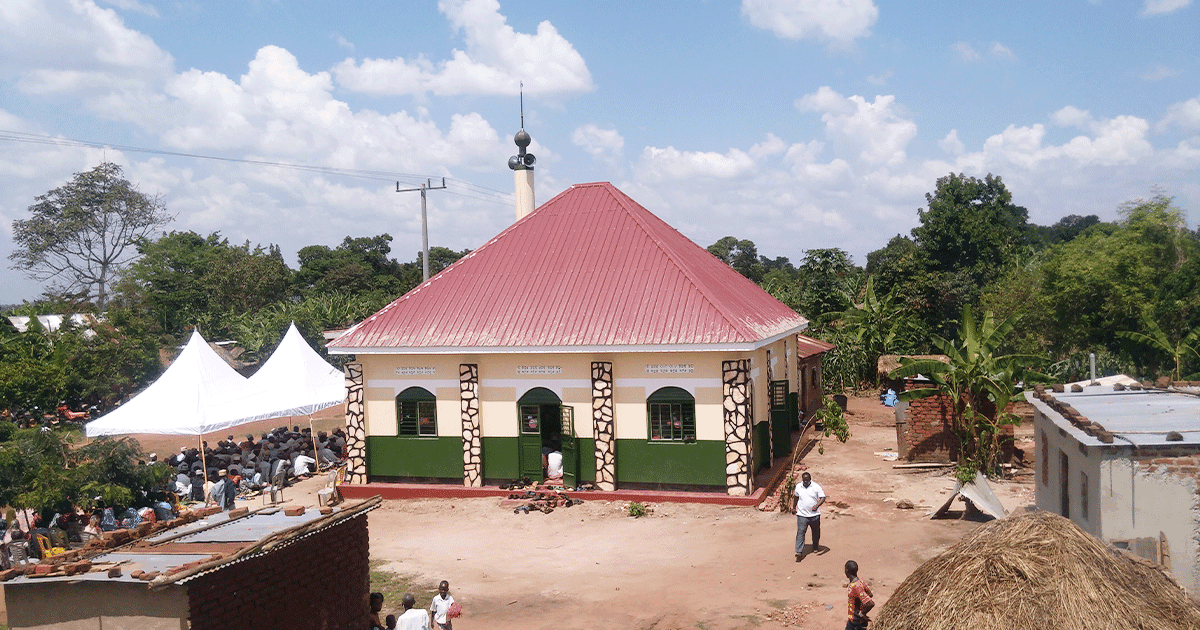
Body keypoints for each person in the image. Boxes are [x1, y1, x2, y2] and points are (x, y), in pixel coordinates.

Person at [794, 471, 825, 561]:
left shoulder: (816, 487)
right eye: (804, 480)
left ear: (810, 480)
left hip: (814, 515)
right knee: (801, 532)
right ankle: (799, 552)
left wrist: (816, 506)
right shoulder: (798, 486)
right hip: (802, 514)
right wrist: (793, 507)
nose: (805, 482)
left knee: (815, 532)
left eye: (807, 480)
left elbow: (823, 497)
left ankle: (815, 546)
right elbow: (796, 496)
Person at [844, 560, 874, 630]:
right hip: (858, 621)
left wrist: (861, 614)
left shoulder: (855, 586)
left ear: (846, 571)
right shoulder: (860, 581)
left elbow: (870, 603)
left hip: (855, 622)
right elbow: (870, 594)